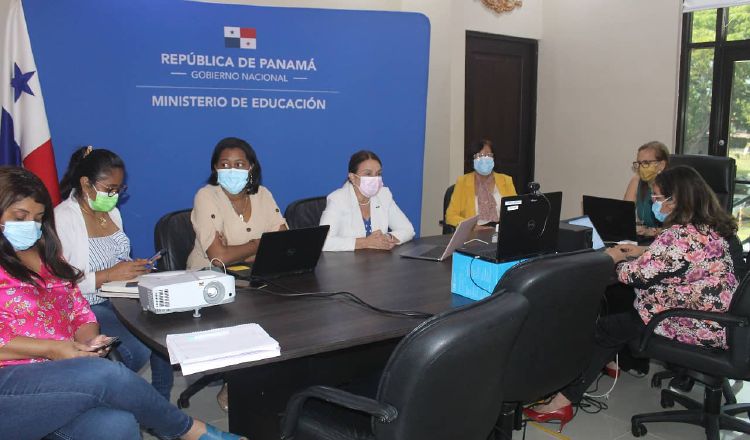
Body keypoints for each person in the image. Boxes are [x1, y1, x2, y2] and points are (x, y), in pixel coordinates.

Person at [0, 166, 244, 440]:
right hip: (11, 384)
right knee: (106, 375)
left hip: (59, 374)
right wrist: (53, 349)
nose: (31, 226)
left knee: (117, 424)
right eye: (20, 217)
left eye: (38, 218)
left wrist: (88, 341)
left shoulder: (45, 255)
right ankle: (190, 431)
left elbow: (78, 307)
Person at [524, 166, 739, 431]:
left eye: (658, 198)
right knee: (621, 319)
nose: (653, 204)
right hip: (724, 320)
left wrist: (611, 258)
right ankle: (599, 371)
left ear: (677, 199)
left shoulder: (678, 237)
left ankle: (562, 400)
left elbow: (632, 276)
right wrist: (643, 250)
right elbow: (680, 261)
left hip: (691, 322)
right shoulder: (708, 228)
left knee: (604, 329)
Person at [55, 146, 174, 401]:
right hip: (86, 306)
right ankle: (110, 396)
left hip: (118, 296)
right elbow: (63, 284)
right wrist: (110, 274)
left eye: (119, 190)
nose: (115, 196)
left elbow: (119, 260)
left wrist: (134, 267)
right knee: (137, 349)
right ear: (86, 184)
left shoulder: (112, 212)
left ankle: (160, 400)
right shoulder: (63, 219)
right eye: (110, 189)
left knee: (164, 328)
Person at [187, 137, 288, 269]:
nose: (232, 170)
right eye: (224, 165)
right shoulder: (206, 196)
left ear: (250, 167)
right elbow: (219, 258)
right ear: (216, 168)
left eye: (239, 164)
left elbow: (283, 243)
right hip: (208, 278)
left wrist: (234, 253)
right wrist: (260, 244)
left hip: (253, 274)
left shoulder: (263, 194)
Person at [320, 150, 415, 251]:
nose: (375, 179)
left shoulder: (383, 194)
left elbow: (408, 229)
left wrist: (388, 238)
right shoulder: (337, 199)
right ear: (352, 177)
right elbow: (323, 242)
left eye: (378, 174)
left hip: (379, 263)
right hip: (347, 264)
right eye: (368, 174)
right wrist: (366, 242)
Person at [445, 139, 516, 229]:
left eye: (488, 155)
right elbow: (451, 216)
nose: (484, 159)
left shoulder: (506, 180)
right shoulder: (462, 182)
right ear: (472, 160)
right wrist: (473, 227)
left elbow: (515, 211)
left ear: (494, 158)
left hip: (501, 231)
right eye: (479, 155)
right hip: (474, 233)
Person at [624, 141, 670, 236]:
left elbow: (682, 230)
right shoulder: (637, 181)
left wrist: (652, 232)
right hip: (645, 239)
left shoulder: (676, 186)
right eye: (639, 163)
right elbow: (625, 215)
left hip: (669, 241)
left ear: (661, 164)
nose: (641, 168)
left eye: (646, 163)